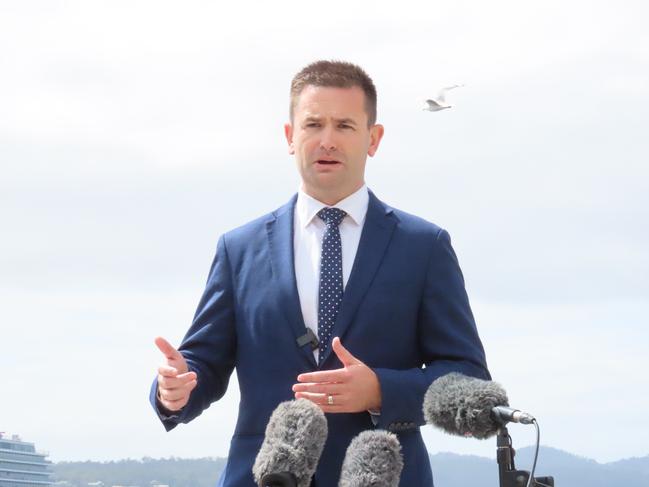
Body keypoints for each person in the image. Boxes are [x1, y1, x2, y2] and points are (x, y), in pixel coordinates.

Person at [150, 60, 490, 487]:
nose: (327, 140)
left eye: (345, 126)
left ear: (374, 138)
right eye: (313, 124)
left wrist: (379, 390)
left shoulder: (424, 246)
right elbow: (204, 363)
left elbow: (468, 378)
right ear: (291, 137)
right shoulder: (239, 249)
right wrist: (177, 387)